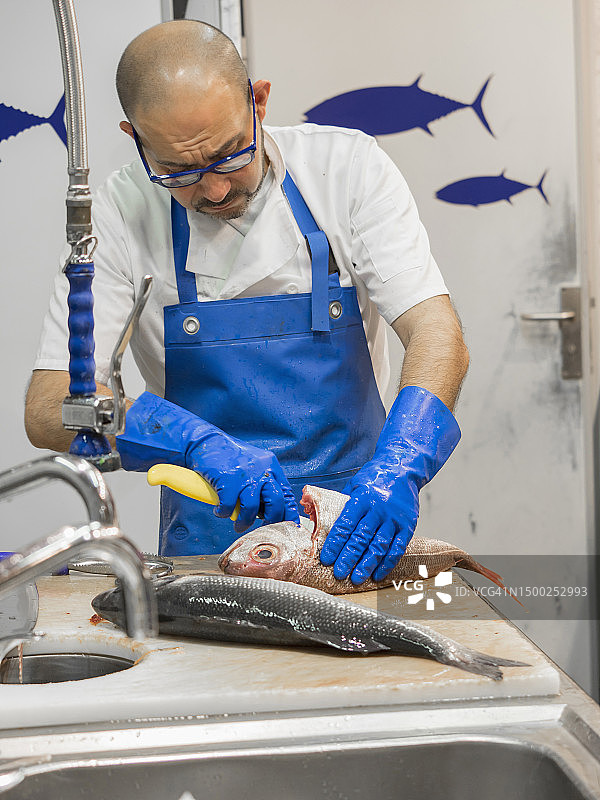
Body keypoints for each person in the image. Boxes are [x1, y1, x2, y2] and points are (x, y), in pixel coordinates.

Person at [25, 20, 469, 585]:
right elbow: (48, 405)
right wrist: (194, 441)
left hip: (352, 525)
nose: (212, 190)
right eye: (178, 171)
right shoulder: (118, 212)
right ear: (134, 137)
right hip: (207, 546)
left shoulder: (346, 171)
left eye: (230, 156)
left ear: (257, 102)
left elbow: (435, 330)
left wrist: (401, 464)